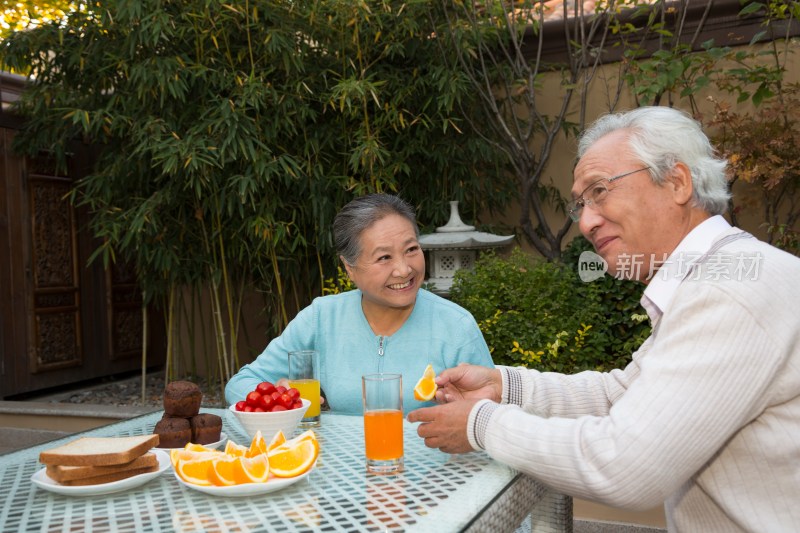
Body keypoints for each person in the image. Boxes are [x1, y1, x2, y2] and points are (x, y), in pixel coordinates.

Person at [409, 106, 800, 532]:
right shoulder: (719, 274)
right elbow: (624, 394)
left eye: (600, 191)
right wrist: (505, 387)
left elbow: (626, 465)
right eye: (581, 204)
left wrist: (481, 424)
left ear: (677, 182)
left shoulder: (726, 292)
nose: (587, 221)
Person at [225, 193, 494, 414]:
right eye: (384, 257)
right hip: (339, 469)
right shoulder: (322, 318)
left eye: (411, 249)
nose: (404, 269)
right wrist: (278, 397)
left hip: (433, 473)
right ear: (349, 268)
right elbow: (240, 384)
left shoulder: (456, 325)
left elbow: (491, 412)